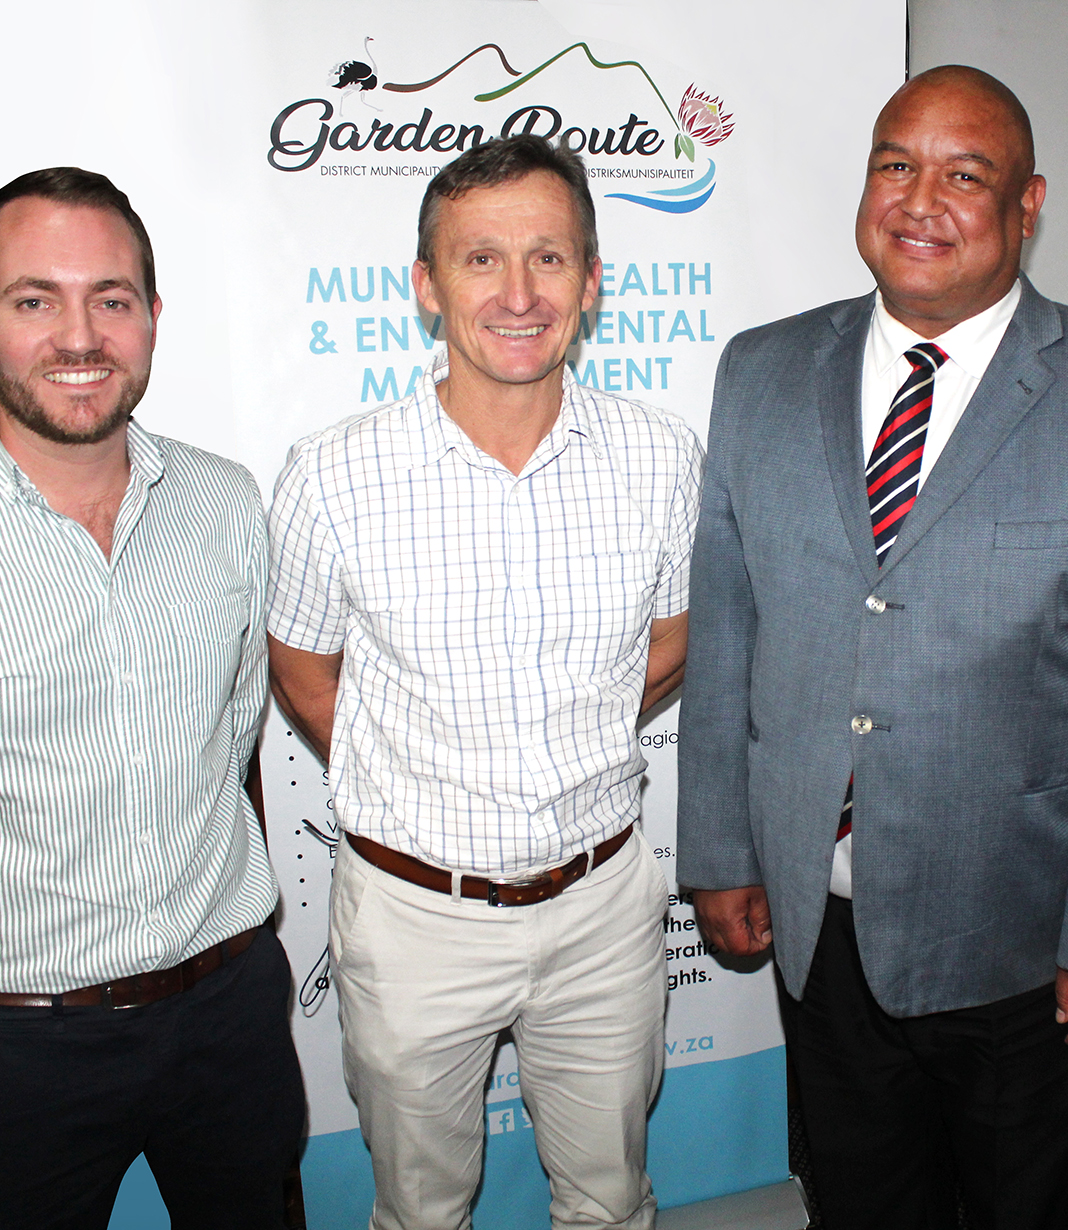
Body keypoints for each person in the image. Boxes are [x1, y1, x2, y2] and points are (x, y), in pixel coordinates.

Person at [677, 65, 1068, 1229]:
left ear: (1027, 204)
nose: (919, 201)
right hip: (819, 930)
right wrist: (717, 847)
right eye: (895, 166)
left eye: (964, 175)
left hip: (1021, 949)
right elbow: (726, 631)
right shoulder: (760, 371)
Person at [266, 134, 699, 1230]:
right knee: (420, 1213)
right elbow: (304, 670)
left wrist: (573, 733)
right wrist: (422, 776)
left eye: (548, 257)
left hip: (602, 910)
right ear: (427, 285)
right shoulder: (332, 473)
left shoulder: (662, 457)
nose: (518, 293)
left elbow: (674, 636)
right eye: (480, 259)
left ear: (591, 283)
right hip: (413, 919)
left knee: (610, 1203)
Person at [0, 167, 304, 1227]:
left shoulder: (224, 502)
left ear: (152, 316)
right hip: (10, 1050)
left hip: (231, 1014)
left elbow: (233, 737)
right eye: (35, 300)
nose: (80, 337)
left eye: (110, 299)